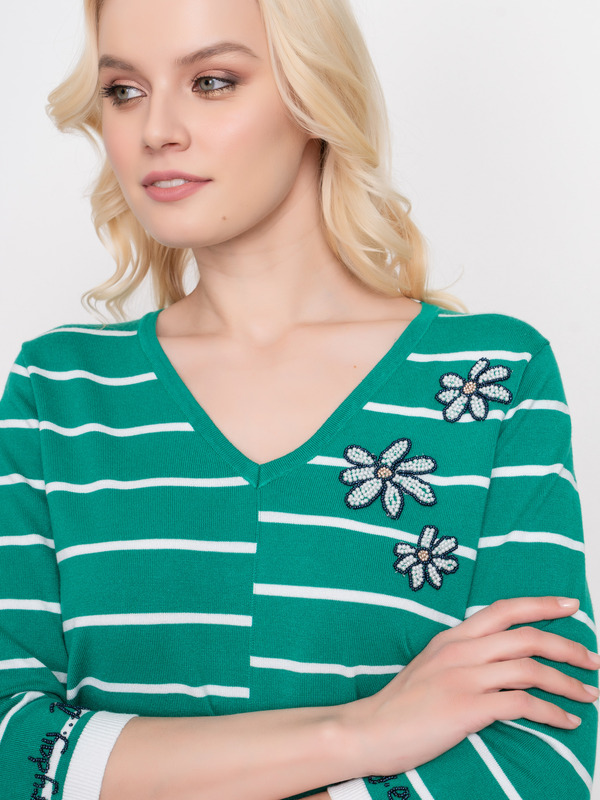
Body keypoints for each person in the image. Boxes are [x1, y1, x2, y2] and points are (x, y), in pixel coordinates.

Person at [0, 0, 597, 798]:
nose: (156, 130)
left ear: (313, 96)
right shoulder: (59, 391)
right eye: (125, 91)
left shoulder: (490, 380)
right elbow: (10, 745)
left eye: (212, 81)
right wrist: (360, 732)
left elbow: (540, 758)